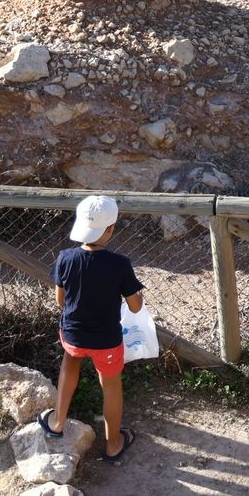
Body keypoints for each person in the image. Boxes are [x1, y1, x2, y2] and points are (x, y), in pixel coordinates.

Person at [40, 195, 145, 465]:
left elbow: (60, 301)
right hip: (106, 341)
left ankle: (57, 421)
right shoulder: (120, 264)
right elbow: (135, 307)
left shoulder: (65, 258)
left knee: (70, 363)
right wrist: (135, 294)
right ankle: (113, 445)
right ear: (111, 228)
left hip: (73, 335)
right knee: (111, 387)